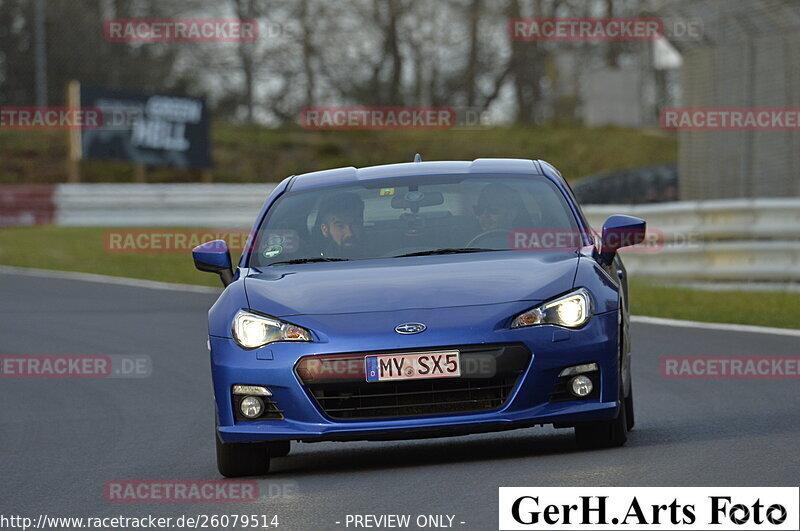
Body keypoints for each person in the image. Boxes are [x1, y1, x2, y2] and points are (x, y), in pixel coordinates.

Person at [312, 192, 365, 257]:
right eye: (340, 226)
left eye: (354, 224)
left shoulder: (379, 252)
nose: (349, 233)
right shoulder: (308, 261)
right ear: (325, 230)